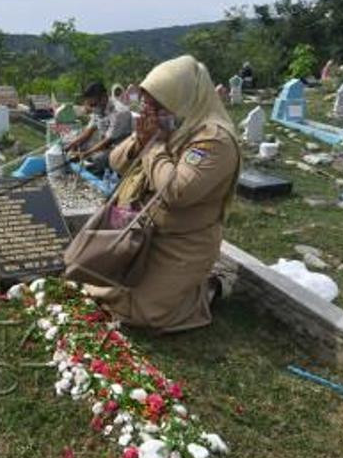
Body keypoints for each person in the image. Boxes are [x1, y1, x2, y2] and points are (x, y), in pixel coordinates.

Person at [84, 55, 241, 333]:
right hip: (141, 231)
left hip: (182, 242)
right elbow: (117, 162)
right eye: (147, 103)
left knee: (143, 314)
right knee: (99, 288)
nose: (150, 111)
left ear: (182, 100)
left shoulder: (213, 138)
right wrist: (141, 141)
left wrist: (153, 148)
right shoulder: (161, 123)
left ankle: (213, 284)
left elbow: (177, 192)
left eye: (158, 104)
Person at [64, 82, 132, 175]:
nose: (92, 108)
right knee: (79, 146)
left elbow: (108, 140)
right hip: (105, 143)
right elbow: (89, 131)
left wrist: (86, 154)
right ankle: (92, 165)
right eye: (89, 105)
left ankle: (105, 174)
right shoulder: (98, 108)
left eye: (93, 104)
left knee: (98, 158)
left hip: (120, 147)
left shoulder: (120, 112)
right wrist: (72, 144)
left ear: (104, 98)